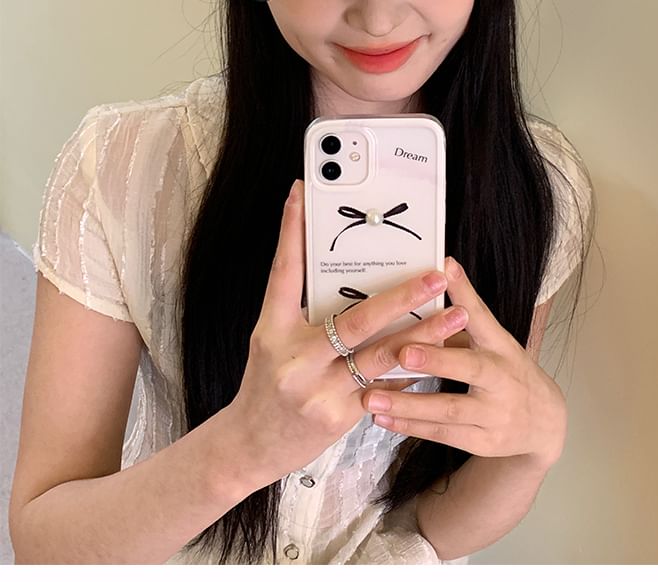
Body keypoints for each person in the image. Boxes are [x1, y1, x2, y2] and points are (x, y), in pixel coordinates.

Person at [8, 0, 594, 565]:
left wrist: (529, 453)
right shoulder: (123, 165)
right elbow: (44, 548)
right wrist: (240, 449)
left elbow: (433, 533)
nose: (379, 18)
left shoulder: (538, 186)